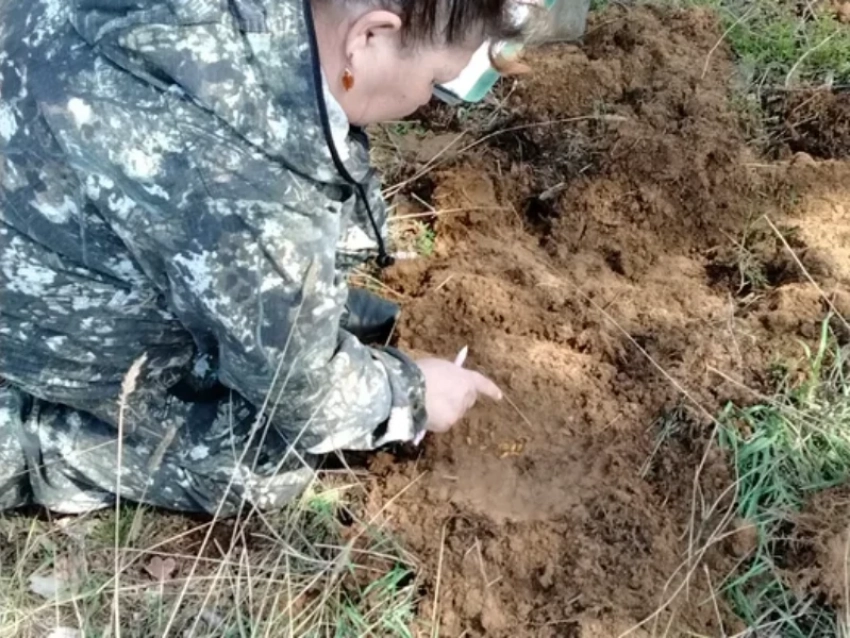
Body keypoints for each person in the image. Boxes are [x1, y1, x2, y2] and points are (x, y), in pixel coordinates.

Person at [0, 0, 520, 515]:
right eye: (435, 80)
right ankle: (29, 440)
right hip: (20, 313)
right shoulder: (247, 185)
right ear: (368, 37)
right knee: (260, 464)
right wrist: (410, 393)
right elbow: (301, 397)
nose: (429, 102)